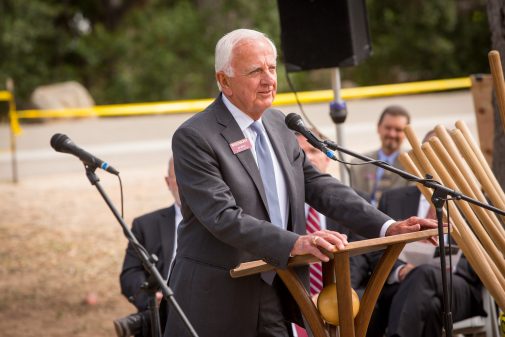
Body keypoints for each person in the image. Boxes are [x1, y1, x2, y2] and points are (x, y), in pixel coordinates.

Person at [166, 28, 437, 337]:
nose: (269, 79)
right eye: (256, 71)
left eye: (271, 67)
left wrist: (388, 227)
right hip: (221, 297)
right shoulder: (196, 136)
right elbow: (222, 216)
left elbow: (319, 186)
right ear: (224, 81)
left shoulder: (279, 124)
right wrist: (294, 242)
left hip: (281, 287)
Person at [353, 185, 485, 337]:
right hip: (401, 285)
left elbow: (485, 258)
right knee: (430, 306)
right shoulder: (392, 198)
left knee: (424, 273)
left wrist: (449, 265)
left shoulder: (474, 201)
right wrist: (401, 271)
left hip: (456, 286)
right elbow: (376, 250)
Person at [114, 156, 181, 337]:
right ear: (168, 182)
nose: (184, 182)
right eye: (178, 176)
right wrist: (150, 299)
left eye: (190, 174)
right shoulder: (146, 225)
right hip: (162, 315)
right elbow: (130, 274)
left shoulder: (221, 221)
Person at [349, 105, 411, 206]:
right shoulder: (358, 163)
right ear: (378, 128)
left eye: (398, 129)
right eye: (388, 128)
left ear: (407, 133)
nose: (392, 134)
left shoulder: (412, 165)